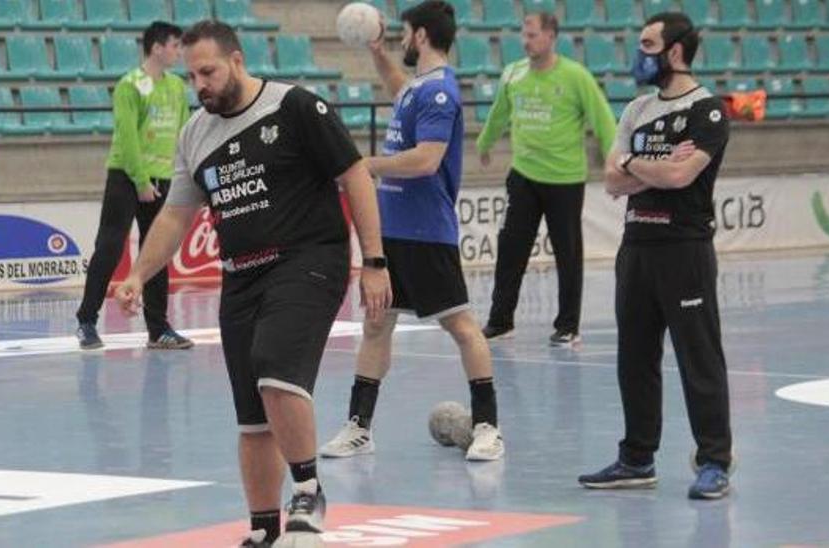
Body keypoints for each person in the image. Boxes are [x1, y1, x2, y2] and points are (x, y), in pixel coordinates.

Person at [114, 20, 391, 547]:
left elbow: (354, 173)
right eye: (193, 75)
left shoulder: (294, 107)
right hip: (240, 278)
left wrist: (373, 261)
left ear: (237, 61)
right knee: (251, 418)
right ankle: (264, 529)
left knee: (274, 372)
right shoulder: (195, 134)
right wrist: (136, 274)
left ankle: (308, 489)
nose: (200, 84)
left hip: (308, 260)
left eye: (209, 71)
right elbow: (174, 217)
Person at [319, 0, 504, 462]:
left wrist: (364, 166)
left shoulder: (441, 90)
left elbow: (426, 160)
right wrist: (379, 54)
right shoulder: (419, 87)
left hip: (426, 231)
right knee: (376, 325)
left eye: (404, 34)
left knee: (461, 325)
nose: (402, 40)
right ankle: (359, 427)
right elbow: (403, 93)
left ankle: (487, 427)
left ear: (421, 36)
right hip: (392, 229)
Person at [577, 12, 734, 500]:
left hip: (684, 249)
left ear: (675, 52)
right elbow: (611, 180)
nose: (637, 53)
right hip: (637, 250)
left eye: (647, 44)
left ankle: (714, 461)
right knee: (635, 359)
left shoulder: (707, 110)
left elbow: (681, 178)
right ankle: (637, 458)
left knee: (698, 359)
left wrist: (638, 167)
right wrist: (646, 165)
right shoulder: (636, 109)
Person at [476, 11, 617, 346]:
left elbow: (604, 122)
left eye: (533, 35)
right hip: (523, 175)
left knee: (568, 253)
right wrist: (485, 143)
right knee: (511, 248)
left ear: (551, 36)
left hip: (564, 179)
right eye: (524, 35)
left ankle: (568, 325)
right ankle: (500, 320)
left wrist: (615, 161)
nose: (526, 41)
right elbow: (499, 113)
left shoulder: (575, 76)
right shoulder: (513, 74)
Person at [75, 21, 194, 351]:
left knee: (157, 250)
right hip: (127, 177)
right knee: (110, 246)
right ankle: (86, 319)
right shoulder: (131, 85)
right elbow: (126, 138)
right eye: (174, 45)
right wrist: (141, 180)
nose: (178, 52)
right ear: (157, 47)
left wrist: (181, 173)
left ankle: (158, 328)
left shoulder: (176, 87)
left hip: (164, 177)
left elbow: (184, 131)